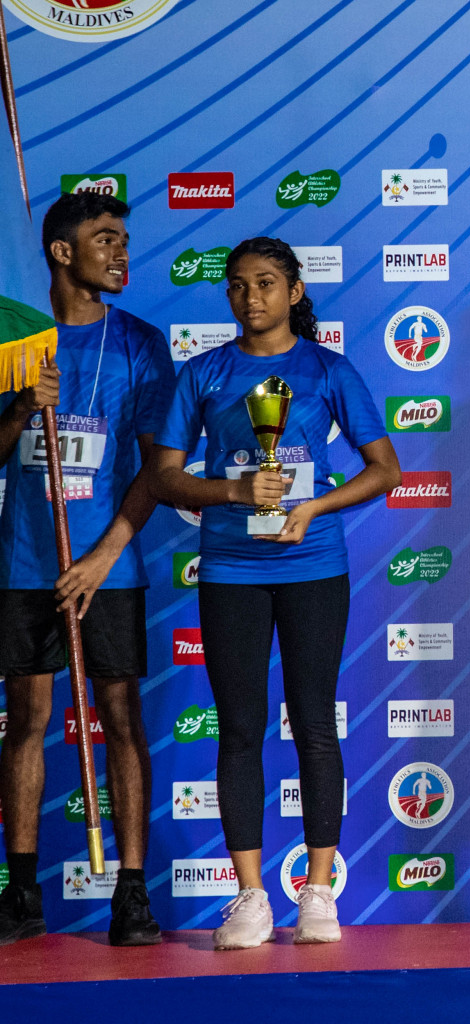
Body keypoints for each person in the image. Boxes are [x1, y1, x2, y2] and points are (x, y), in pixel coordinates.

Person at [150, 237, 400, 950]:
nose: (250, 296)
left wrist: (313, 507)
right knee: (239, 728)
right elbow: (165, 475)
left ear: (293, 292)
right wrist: (233, 490)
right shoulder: (204, 373)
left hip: (313, 565)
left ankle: (317, 893)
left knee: (315, 723)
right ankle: (251, 896)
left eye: (265, 283)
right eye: (237, 285)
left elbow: (384, 468)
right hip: (231, 567)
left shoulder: (328, 370)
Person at [0, 192, 175, 947]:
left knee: (123, 722)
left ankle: (131, 893)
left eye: (125, 240)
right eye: (106, 239)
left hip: (110, 569)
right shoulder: (15, 341)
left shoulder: (138, 343)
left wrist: (103, 555)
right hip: (25, 563)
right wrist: (15, 410)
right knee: (28, 724)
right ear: (62, 252)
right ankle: (21, 891)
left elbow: (157, 471)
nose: (122, 253)